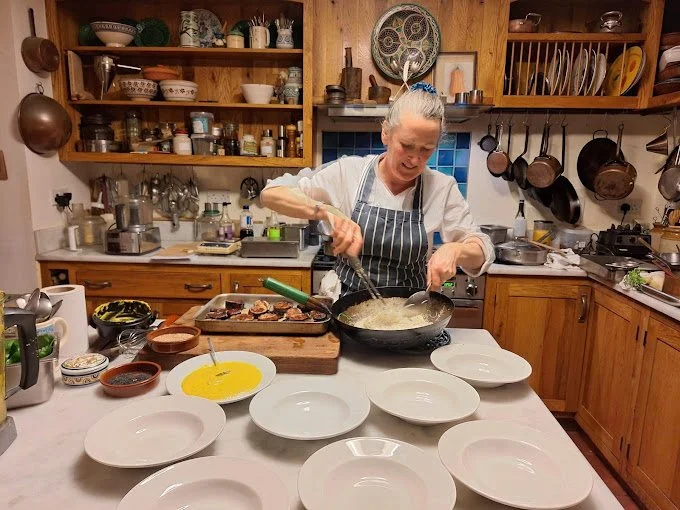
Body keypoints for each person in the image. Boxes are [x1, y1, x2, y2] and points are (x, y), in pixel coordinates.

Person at [260, 83, 494, 294]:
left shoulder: (441, 187)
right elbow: (271, 193)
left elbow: (483, 250)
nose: (414, 159)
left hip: (410, 314)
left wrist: (455, 250)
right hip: (348, 309)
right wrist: (323, 211)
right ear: (386, 133)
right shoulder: (347, 172)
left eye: (426, 150)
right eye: (406, 145)